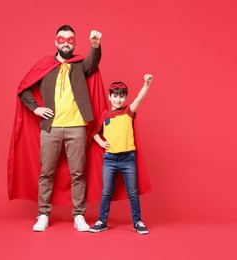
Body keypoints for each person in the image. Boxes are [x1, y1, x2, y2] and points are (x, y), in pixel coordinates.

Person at [8, 25, 103, 232]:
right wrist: (35, 109)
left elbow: (92, 62)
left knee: (78, 173)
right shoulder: (45, 65)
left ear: (75, 43)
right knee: (46, 172)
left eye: (70, 40)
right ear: (55, 42)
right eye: (62, 39)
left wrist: (95, 46)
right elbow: (23, 89)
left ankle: (79, 215)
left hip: (76, 127)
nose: (66, 43)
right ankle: (43, 214)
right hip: (50, 128)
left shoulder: (80, 65)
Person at [89, 74, 153, 234]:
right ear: (110, 97)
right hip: (110, 159)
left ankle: (137, 222)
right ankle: (102, 221)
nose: (118, 99)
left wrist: (147, 84)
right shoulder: (105, 115)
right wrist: (101, 142)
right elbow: (94, 133)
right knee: (106, 191)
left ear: (125, 98)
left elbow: (139, 99)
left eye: (121, 96)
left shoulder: (128, 112)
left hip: (127, 159)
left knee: (132, 192)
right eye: (115, 96)